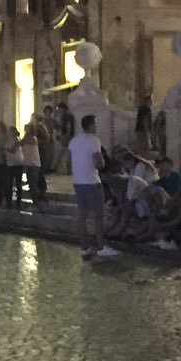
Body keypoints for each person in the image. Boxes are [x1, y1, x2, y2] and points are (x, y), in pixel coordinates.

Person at [68, 112, 114, 261]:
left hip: (78, 182)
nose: (96, 126)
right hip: (91, 181)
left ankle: (84, 247)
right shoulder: (94, 140)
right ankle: (101, 247)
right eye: (95, 124)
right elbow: (99, 162)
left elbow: (68, 161)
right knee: (98, 216)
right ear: (90, 125)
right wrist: (103, 164)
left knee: (82, 216)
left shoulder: (74, 141)